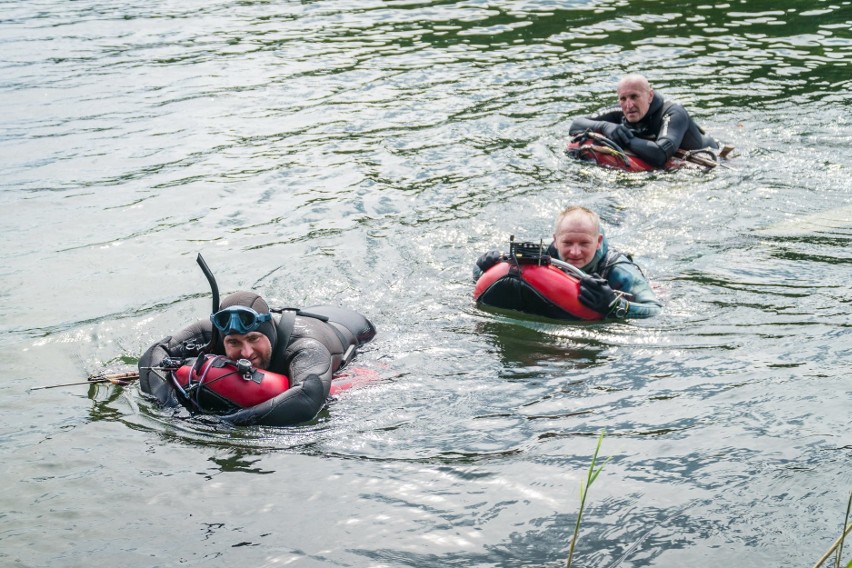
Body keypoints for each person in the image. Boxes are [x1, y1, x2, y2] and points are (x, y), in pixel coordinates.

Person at [138, 291, 376, 426]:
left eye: (254, 339)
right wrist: (171, 408)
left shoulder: (305, 346)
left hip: (355, 329)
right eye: (234, 343)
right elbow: (154, 355)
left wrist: (229, 422)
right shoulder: (211, 334)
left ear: (269, 334)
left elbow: (307, 399)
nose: (247, 353)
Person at [474, 206, 662, 319]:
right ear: (555, 240)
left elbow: (655, 310)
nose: (575, 252)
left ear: (598, 242)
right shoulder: (544, 255)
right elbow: (485, 279)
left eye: (584, 243)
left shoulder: (617, 268)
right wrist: (481, 268)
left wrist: (615, 305)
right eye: (567, 243)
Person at [569, 73, 718, 168]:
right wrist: (605, 126)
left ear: (650, 95)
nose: (628, 105)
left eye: (634, 97)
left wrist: (624, 138)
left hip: (710, 153)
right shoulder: (622, 109)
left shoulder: (673, 113)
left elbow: (660, 154)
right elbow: (576, 125)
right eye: (623, 98)